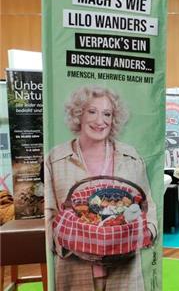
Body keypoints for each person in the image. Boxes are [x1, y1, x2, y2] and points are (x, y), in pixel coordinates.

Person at [44, 86, 157, 290]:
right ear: (79, 114)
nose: (100, 121)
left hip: (126, 274)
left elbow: (149, 204)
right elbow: (49, 216)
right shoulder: (55, 159)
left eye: (107, 114)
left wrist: (148, 231)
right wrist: (73, 241)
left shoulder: (131, 157)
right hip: (75, 273)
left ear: (114, 119)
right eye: (92, 111)